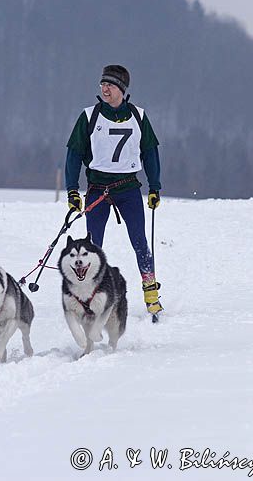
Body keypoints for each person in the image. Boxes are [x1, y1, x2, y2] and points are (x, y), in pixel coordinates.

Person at [65, 64, 163, 317]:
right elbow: (74, 154)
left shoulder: (138, 116)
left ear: (121, 89)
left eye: (109, 84)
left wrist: (155, 186)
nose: (104, 88)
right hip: (98, 188)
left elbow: (150, 152)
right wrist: (72, 190)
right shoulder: (89, 116)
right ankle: (90, 296)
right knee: (92, 246)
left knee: (139, 241)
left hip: (128, 187)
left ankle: (151, 293)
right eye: (102, 84)